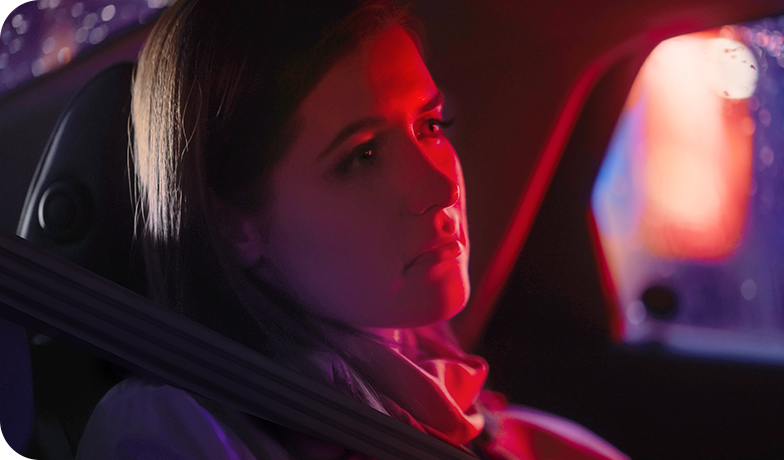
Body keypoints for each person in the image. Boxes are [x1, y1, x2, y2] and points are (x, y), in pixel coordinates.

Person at [75, 1, 629, 459]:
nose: (442, 186)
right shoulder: (170, 429)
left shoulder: (445, 398)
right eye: (362, 155)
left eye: (430, 126)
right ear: (235, 224)